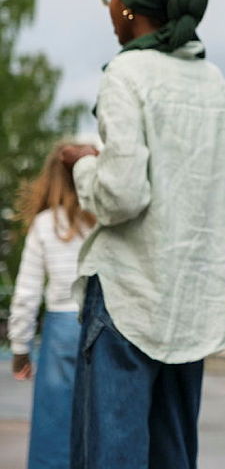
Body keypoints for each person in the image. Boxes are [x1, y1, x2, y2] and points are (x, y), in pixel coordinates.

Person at [62, 0, 225, 469]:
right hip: (193, 303)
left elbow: (122, 196)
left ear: (127, 7)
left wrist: (82, 167)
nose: (108, 7)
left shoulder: (127, 73)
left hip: (129, 296)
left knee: (111, 456)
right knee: (174, 455)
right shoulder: (216, 83)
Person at [8, 144, 96, 469]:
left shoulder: (46, 224)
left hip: (61, 332)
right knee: (103, 423)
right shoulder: (105, 222)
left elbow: (27, 293)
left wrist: (20, 349)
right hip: (105, 325)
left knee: (55, 424)